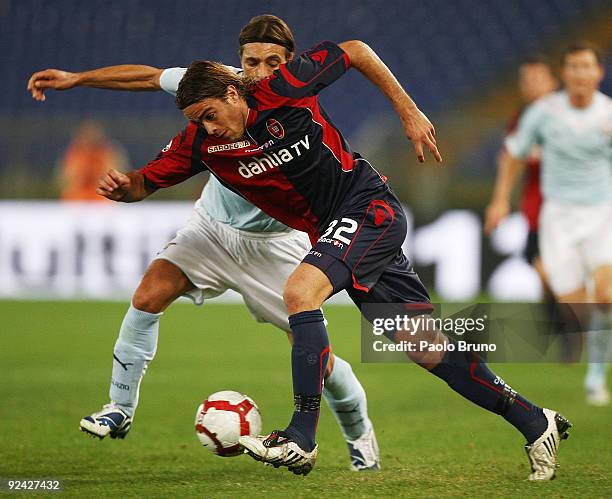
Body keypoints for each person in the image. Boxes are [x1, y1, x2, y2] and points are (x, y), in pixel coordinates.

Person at [98, 38, 570, 480]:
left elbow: (356, 50)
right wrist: (126, 190)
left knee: (300, 292)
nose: (208, 126)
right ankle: (534, 420)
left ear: (231, 91)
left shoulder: (282, 89)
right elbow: (144, 182)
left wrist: (408, 111)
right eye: (198, 120)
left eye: (210, 114)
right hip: (337, 227)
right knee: (426, 348)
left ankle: (301, 436)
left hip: (368, 208)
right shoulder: (204, 142)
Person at [27, 15, 381, 471]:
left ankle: (359, 434)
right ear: (237, 66)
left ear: (290, 62)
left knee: (320, 361)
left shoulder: (295, 94)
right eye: (250, 62)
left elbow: (353, 54)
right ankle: (119, 408)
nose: (260, 72)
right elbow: (150, 76)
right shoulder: (212, 93)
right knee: (149, 293)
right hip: (212, 230)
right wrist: (80, 79)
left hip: (276, 244)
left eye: (272, 62)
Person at [486, 41, 612, 407]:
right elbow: (513, 153)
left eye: (586, 66)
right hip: (557, 217)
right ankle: (592, 351)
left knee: (605, 295)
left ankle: (594, 377)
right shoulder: (543, 113)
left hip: (602, 213)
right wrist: (499, 200)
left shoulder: (608, 114)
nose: (580, 74)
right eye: (573, 67)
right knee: (578, 307)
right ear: (564, 75)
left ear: (598, 73)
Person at [485, 56, 578, 359]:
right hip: (538, 210)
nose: (532, 86)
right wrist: (500, 200)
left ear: (554, 82)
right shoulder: (523, 119)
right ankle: (568, 331)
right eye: (526, 81)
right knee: (543, 271)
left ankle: (571, 332)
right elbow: (510, 160)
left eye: (538, 79)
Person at [59, 120, 129, 201]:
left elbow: (117, 177)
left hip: (102, 199)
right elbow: (65, 178)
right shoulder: (74, 153)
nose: (89, 138)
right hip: (77, 198)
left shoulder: (108, 152)